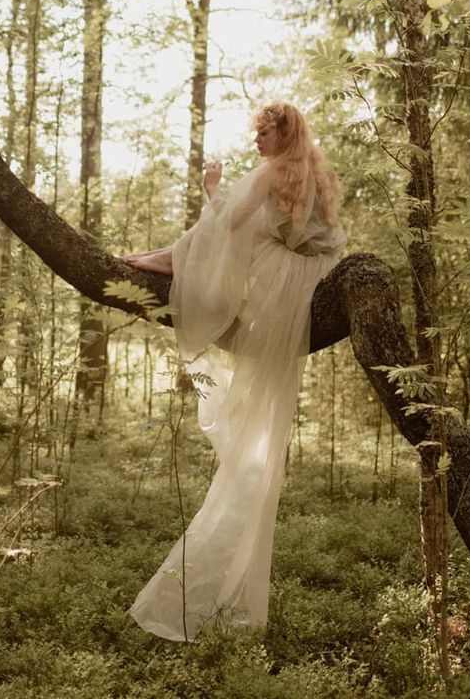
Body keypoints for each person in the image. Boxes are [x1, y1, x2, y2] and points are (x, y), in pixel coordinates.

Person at [125, 100, 346, 641]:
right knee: (218, 235)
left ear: (280, 132)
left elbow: (235, 220)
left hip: (281, 287)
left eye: (263, 133)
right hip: (311, 284)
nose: (256, 142)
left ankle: (163, 260)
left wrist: (212, 188)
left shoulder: (273, 171)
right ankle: (164, 256)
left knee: (220, 229)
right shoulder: (310, 168)